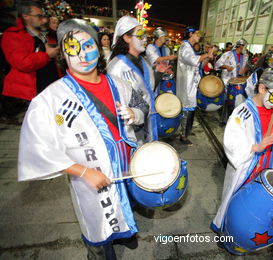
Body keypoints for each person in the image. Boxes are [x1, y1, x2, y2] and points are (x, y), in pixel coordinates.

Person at [18, 18, 147, 259]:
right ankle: (98, 253)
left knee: (125, 204)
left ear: (98, 47)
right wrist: (84, 172)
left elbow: (143, 110)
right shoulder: (51, 99)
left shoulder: (119, 83)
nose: (82, 55)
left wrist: (134, 114)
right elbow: (38, 149)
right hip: (90, 175)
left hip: (125, 163)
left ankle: (126, 233)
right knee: (97, 221)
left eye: (87, 45)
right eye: (72, 49)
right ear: (63, 55)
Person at [211, 68, 273, 252]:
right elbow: (231, 143)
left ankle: (245, 236)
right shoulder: (243, 112)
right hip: (244, 168)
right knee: (233, 202)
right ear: (263, 88)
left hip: (266, 169)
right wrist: (255, 147)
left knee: (255, 206)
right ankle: (227, 234)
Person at [108, 16, 169, 144]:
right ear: (126, 37)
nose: (145, 39)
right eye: (140, 35)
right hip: (130, 128)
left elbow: (148, 90)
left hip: (147, 122)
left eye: (145, 35)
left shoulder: (144, 62)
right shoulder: (116, 67)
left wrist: (158, 74)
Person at [1, 0, 60, 101]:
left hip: (47, 92)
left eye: (43, 16)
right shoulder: (13, 35)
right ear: (25, 16)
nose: (44, 20)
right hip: (25, 96)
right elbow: (23, 63)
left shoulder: (42, 34)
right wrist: (47, 55)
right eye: (38, 16)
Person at [176, 26, 212, 145]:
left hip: (191, 84)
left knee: (191, 109)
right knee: (188, 109)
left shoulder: (190, 48)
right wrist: (207, 54)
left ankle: (186, 131)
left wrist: (207, 56)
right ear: (190, 34)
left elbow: (198, 64)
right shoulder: (185, 46)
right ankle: (183, 135)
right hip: (187, 85)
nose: (199, 36)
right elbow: (192, 60)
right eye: (197, 34)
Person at [216, 38, 249, 125]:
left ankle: (234, 121)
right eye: (245, 46)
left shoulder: (245, 56)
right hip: (228, 81)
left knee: (237, 100)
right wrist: (226, 67)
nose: (246, 48)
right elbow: (217, 65)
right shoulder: (228, 54)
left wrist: (245, 69)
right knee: (227, 100)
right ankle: (223, 120)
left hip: (238, 82)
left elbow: (248, 67)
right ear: (240, 46)